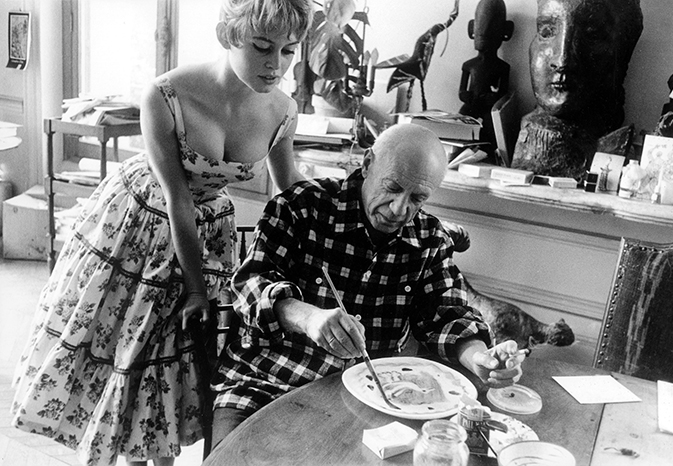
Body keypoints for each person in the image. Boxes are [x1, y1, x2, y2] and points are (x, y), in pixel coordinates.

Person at [11, 1, 313, 465]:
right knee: (132, 349)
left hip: (209, 233)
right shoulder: (167, 93)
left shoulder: (283, 111)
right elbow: (178, 197)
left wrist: (345, 207)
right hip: (141, 226)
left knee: (179, 359)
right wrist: (195, 288)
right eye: (261, 47)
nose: (276, 64)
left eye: (289, 51)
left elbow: (291, 187)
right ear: (227, 36)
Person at [205, 124, 525, 460]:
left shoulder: (429, 239)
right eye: (392, 188)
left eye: (417, 198)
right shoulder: (301, 206)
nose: (399, 209)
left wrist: (480, 358)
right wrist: (308, 318)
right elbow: (249, 285)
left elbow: (447, 316)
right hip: (265, 384)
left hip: (368, 401)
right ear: (368, 163)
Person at [511, 0, 643, 179]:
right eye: (547, 32)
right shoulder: (532, 139)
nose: (562, 60)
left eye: (592, 34)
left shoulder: (613, 141)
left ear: (624, 49)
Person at [458, 0, 513, 154]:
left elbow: (503, 94)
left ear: (506, 32)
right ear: (472, 29)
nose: (485, 35)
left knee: (491, 130)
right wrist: (465, 95)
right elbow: (461, 91)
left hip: (489, 109)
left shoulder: (503, 67)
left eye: (492, 30)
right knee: (459, 128)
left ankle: (486, 154)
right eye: (480, 29)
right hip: (471, 105)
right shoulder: (468, 65)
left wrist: (492, 98)